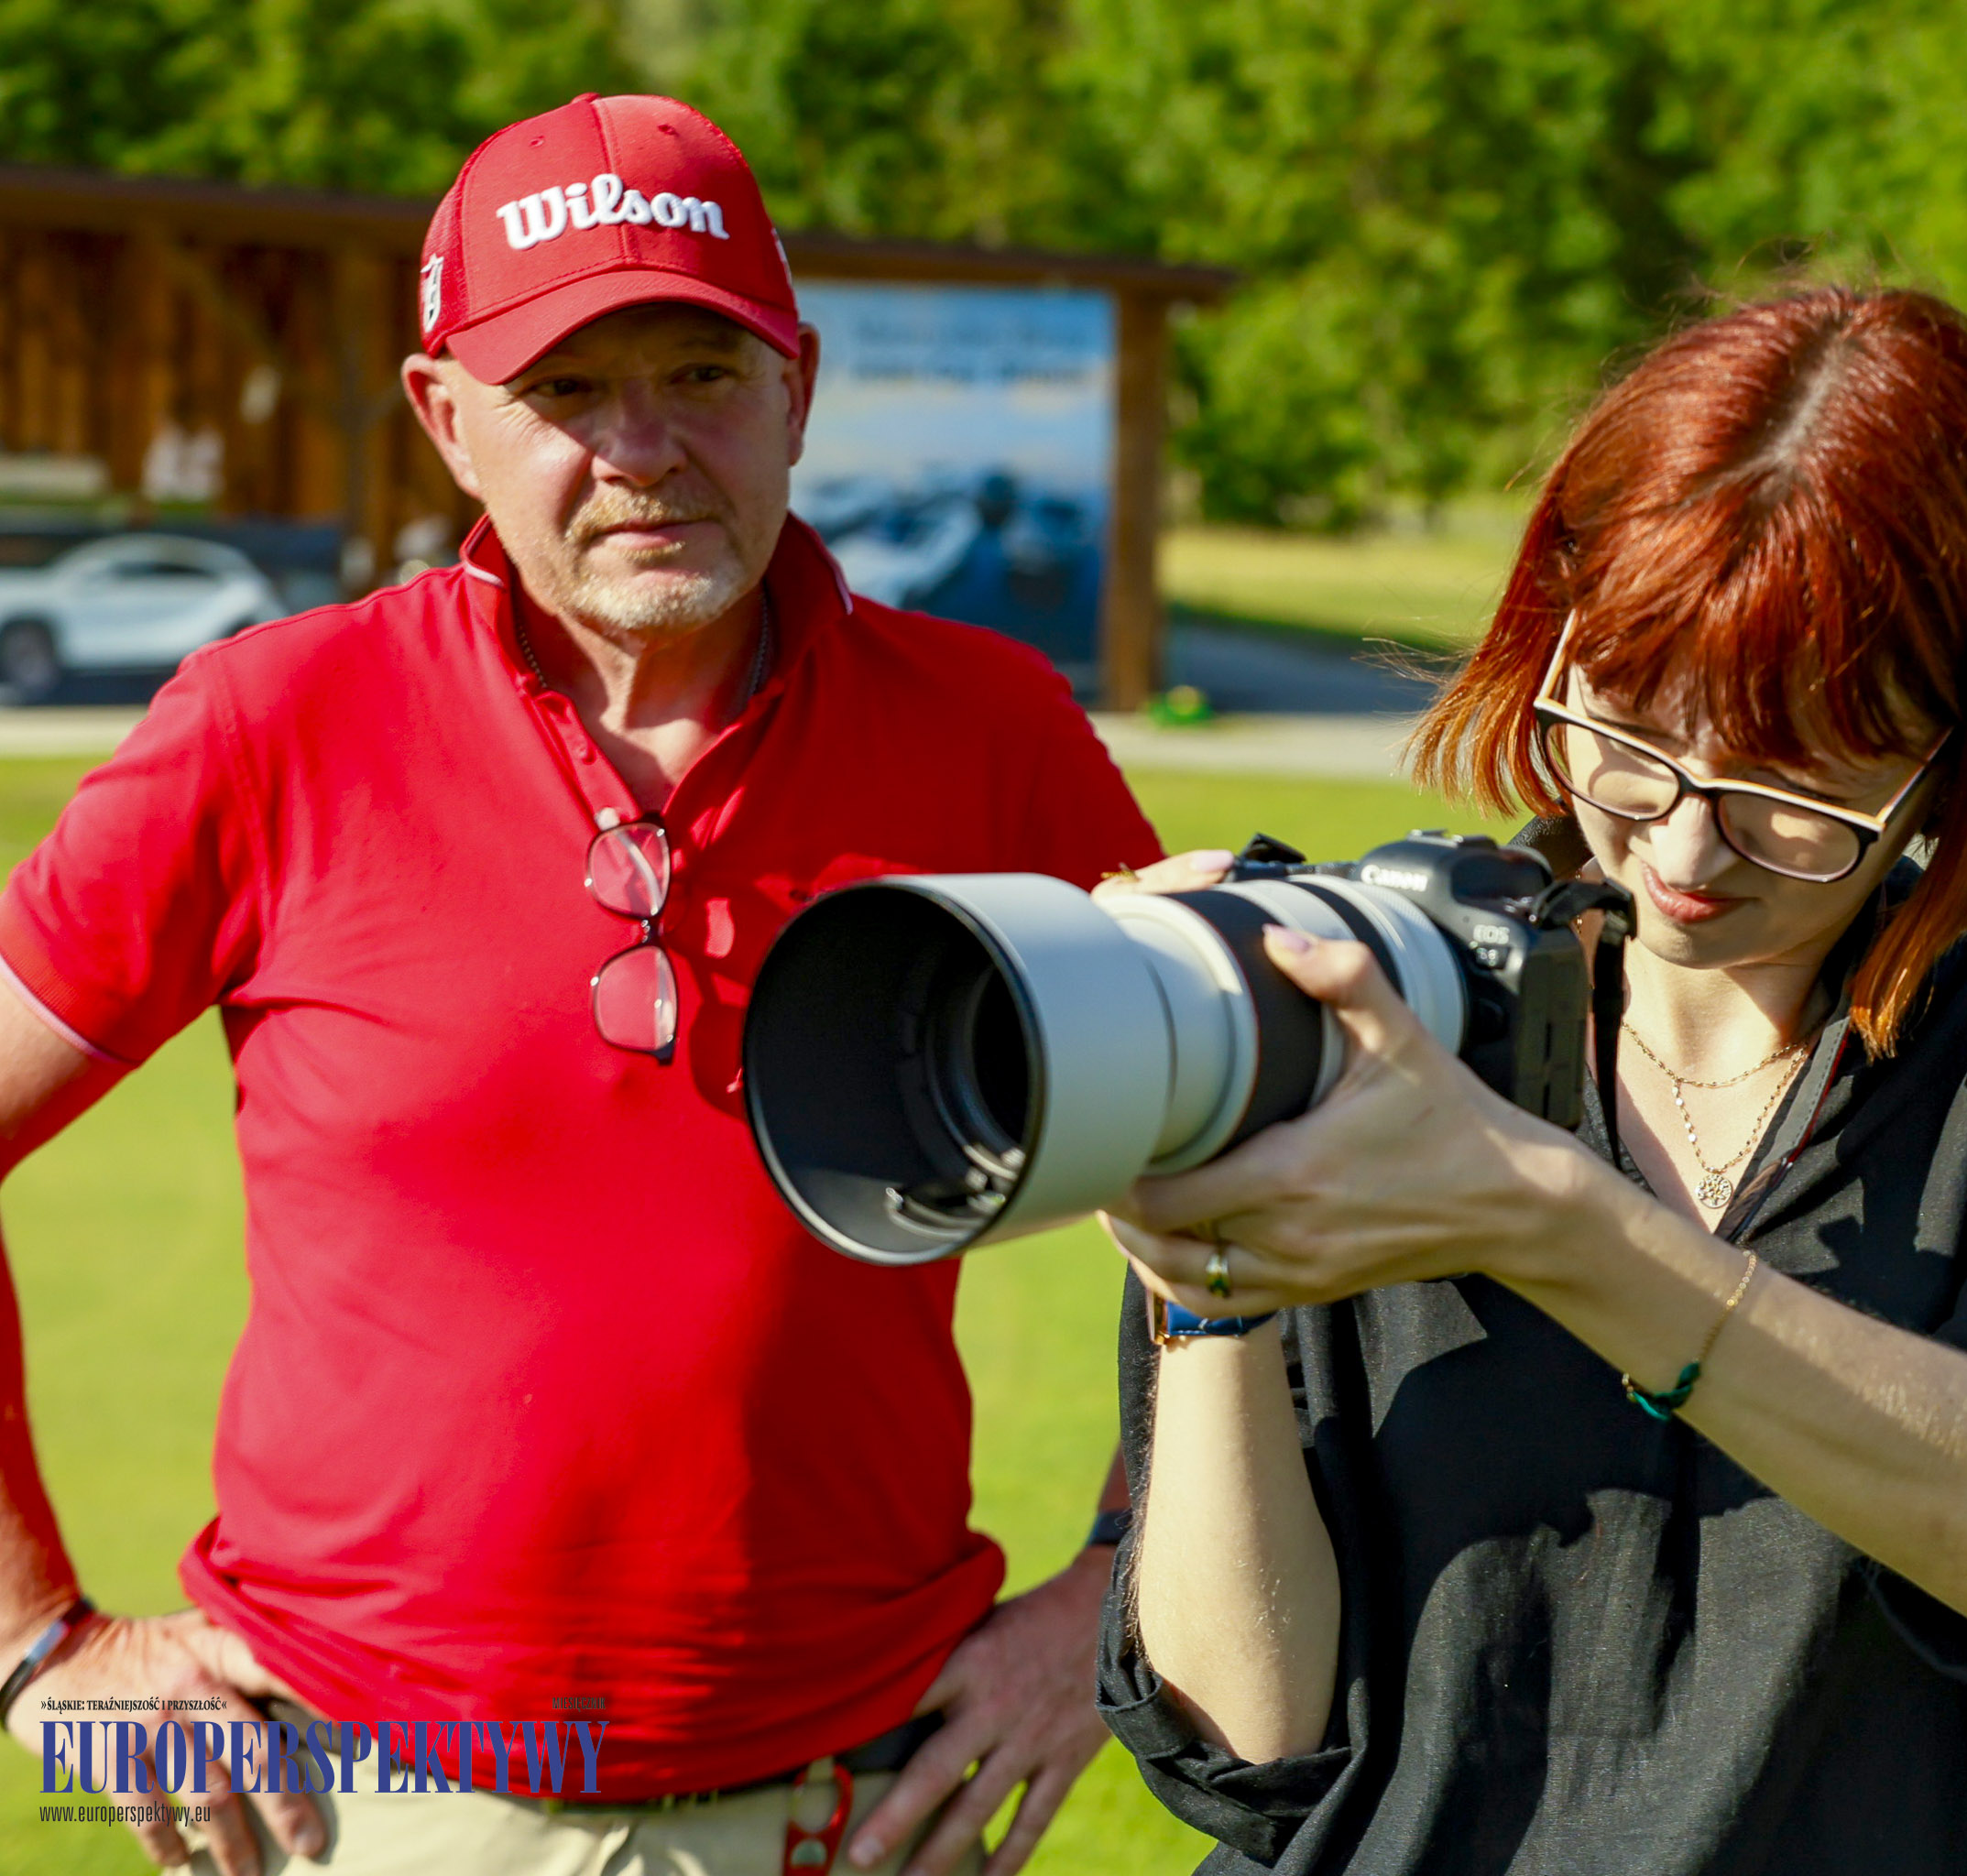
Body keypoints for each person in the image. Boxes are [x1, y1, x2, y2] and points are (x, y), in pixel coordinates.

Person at [0, 95, 1164, 1875]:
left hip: (859, 1800)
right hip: (360, 1798)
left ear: (797, 387)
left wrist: (1116, 1592)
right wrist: (37, 1640)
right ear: (444, 417)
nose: (643, 448)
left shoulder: (993, 733)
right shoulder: (269, 725)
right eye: (565, 388)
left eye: (701, 372)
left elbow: (1246, 1182)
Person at [1094, 288, 1967, 1874]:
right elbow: (1252, 1740)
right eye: (1629, 730)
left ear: (1951, 760)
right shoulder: (1369, 1000)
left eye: (1793, 777)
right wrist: (1200, 1291)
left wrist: (1554, 1221)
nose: (1686, 846)